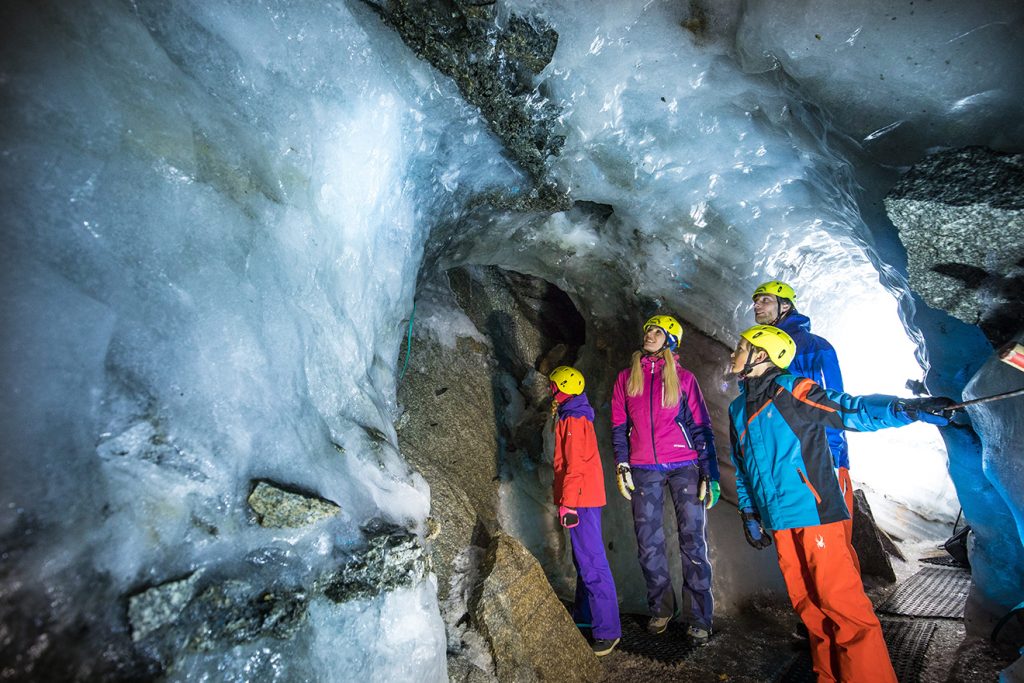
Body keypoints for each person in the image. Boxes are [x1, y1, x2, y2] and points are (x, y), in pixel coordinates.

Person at [727, 324, 955, 682]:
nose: (733, 352)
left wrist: (903, 409)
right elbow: (742, 466)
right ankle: (829, 676)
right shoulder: (739, 408)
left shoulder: (792, 390)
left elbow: (847, 409)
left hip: (815, 513)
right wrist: (749, 510)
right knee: (808, 607)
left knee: (842, 606)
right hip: (780, 519)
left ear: (762, 354)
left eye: (741, 346)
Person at [610, 315, 719, 646]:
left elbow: (701, 427)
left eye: (658, 331)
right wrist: (622, 465)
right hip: (644, 468)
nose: (650, 334)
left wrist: (709, 473)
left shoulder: (684, 379)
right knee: (648, 542)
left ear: (671, 340)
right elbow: (618, 426)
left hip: (684, 466)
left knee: (692, 540)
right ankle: (661, 608)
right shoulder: (627, 378)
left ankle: (699, 616)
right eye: (648, 330)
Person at [750, 280, 860, 571]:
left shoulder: (816, 348)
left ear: (785, 305)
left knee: (832, 546)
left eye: (765, 300)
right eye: (756, 301)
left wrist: (835, 456)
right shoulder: (758, 350)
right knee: (799, 551)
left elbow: (833, 402)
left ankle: (844, 614)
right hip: (786, 460)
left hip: (819, 457)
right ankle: (817, 614)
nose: (756, 306)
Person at [549, 365, 622, 657]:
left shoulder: (575, 419)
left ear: (561, 388)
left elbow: (574, 465)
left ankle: (608, 631)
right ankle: (584, 617)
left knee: (592, 563)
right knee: (584, 562)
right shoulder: (571, 414)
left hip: (581, 500)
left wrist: (568, 502)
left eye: (552, 386)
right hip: (582, 497)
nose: (549, 390)